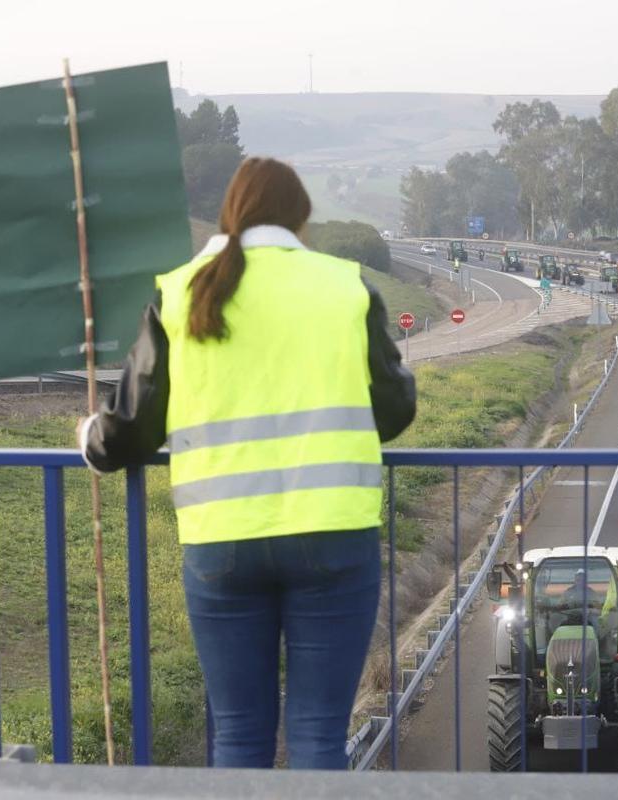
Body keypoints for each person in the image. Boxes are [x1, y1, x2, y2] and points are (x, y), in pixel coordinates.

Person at [77, 157, 416, 769]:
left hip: (222, 541)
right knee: (317, 734)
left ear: (230, 212)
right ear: (300, 218)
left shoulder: (181, 291)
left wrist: (90, 438)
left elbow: (134, 425)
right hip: (333, 535)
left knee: (237, 736)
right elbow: (392, 411)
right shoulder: (345, 286)